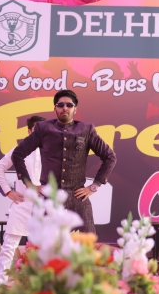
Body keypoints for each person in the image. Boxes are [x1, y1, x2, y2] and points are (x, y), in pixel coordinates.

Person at [12, 90, 117, 233]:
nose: (64, 108)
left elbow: (110, 157)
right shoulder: (43, 129)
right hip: (48, 199)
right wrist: (29, 184)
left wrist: (94, 186)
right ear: (55, 108)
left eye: (69, 105)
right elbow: (18, 154)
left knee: (86, 243)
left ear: (75, 109)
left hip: (78, 198)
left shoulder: (86, 130)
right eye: (60, 105)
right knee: (42, 244)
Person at [0, 115, 45, 293]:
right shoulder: (19, 150)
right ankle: (0, 282)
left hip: (44, 206)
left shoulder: (52, 152)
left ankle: (37, 285)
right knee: (9, 244)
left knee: (41, 247)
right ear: (29, 131)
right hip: (22, 205)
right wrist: (8, 191)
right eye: (36, 130)